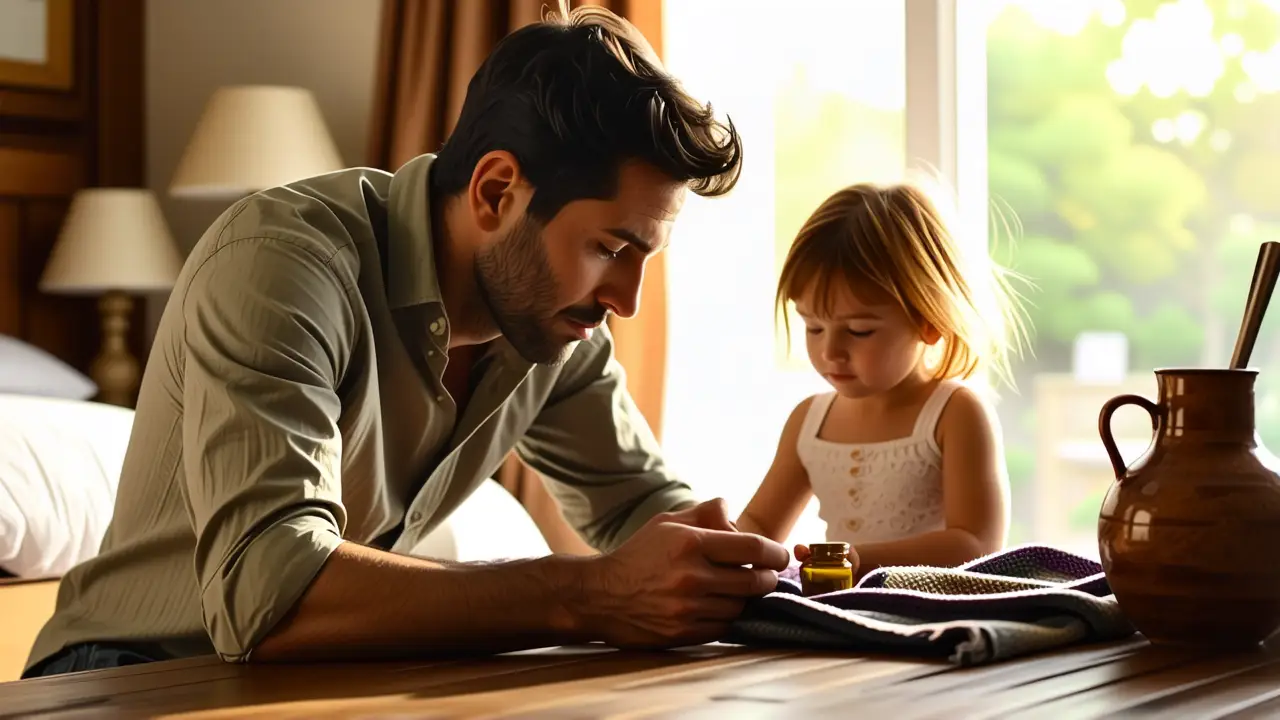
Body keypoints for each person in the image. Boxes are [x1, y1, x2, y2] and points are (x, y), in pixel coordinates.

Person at [24, 3, 791, 678]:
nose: (626, 300)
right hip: (127, 674)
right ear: (496, 191)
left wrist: (748, 572)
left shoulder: (553, 324)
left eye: (644, 258)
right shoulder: (280, 263)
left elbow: (642, 505)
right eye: (610, 249)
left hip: (325, 679)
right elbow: (267, 591)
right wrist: (590, 594)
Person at [735, 182, 1025, 582]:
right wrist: (723, 546)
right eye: (813, 327)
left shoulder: (955, 414)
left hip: (933, 610)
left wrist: (859, 559)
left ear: (929, 322)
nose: (830, 351)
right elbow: (760, 522)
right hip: (843, 612)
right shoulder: (809, 421)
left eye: (859, 331)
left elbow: (977, 544)